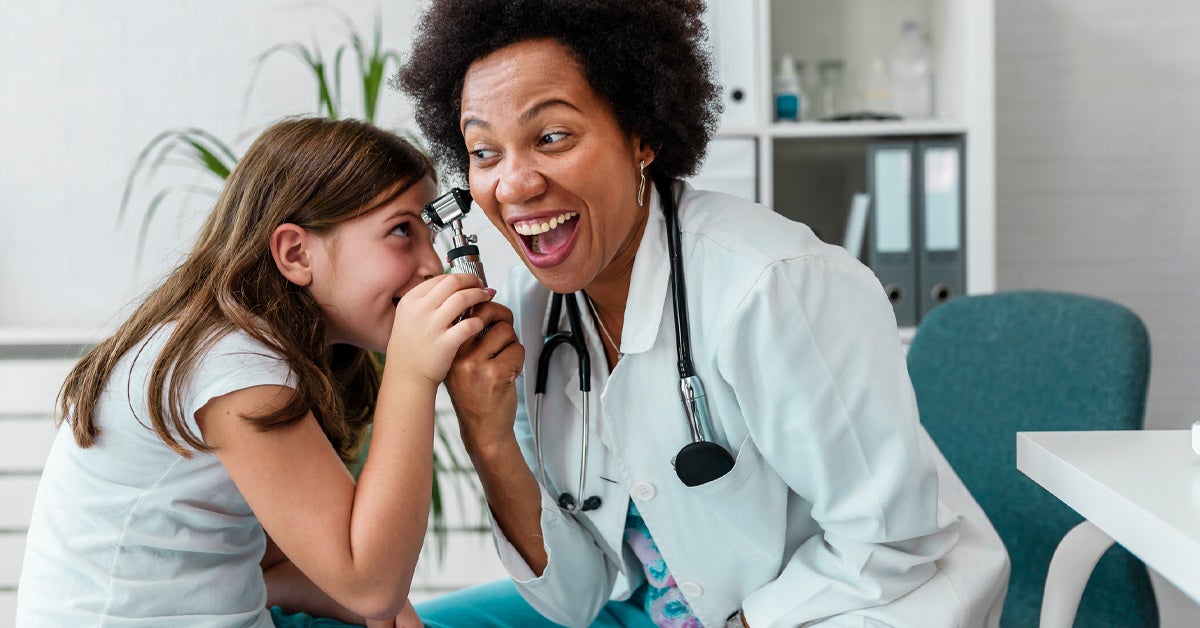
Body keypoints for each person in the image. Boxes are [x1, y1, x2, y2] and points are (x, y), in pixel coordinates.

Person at [398, 1, 1011, 627]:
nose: (514, 185)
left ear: (642, 136)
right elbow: (573, 599)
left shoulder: (773, 287)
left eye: (552, 137)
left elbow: (891, 544)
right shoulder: (535, 314)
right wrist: (487, 432)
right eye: (484, 151)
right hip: (666, 609)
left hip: (850, 605)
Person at [16, 117, 505, 628]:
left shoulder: (244, 346)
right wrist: (412, 375)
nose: (433, 266)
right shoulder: (229, 363)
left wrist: (385, 609)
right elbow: (371, 585)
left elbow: (272, 566)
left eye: (430, 236)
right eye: (402, 231)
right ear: (296, 253)